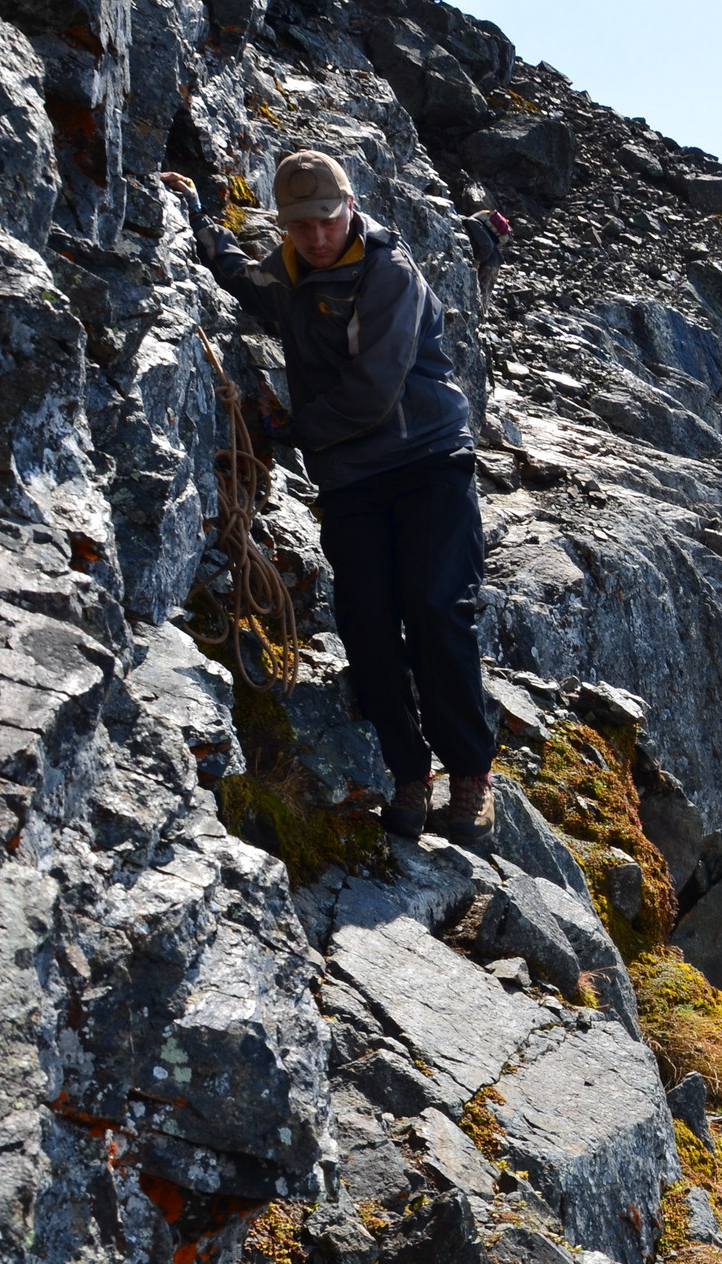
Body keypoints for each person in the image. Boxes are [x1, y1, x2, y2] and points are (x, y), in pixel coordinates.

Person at [162, 152, 493, 848]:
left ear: (351, 207)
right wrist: (199, 221)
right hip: (353, 481)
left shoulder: (391, 273)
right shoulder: (289, 275)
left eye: (327, 219)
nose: (316, 236)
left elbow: (374, 390)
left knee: (436, 610)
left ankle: (469, 777)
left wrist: (288, 428)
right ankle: (409, 774)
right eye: (300, 225)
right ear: (285, 226)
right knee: (366, 622)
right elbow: (245, 282)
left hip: (429, 462)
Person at [462, 208, 512, 313]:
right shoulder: (479, 224)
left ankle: (478, 322)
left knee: (480, 294)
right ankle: (481, 321)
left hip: (488, 264)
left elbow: (487, 245)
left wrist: (477, 261)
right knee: (484, 296)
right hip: (494, 263)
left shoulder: (471, 223)